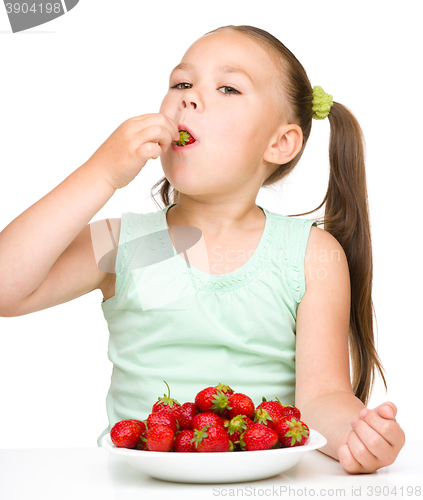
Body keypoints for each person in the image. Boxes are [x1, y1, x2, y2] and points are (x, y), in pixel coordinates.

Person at [0, 25, 405, 474]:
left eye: (228, 87)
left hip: (263, 484)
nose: (189, 99)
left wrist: (357, 434)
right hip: (144, 484)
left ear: (280, 143)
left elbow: (322, 397)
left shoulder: (307, 253)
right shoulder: (134, 245)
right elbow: (6, 288)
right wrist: (101, 173)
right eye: (181, 83)